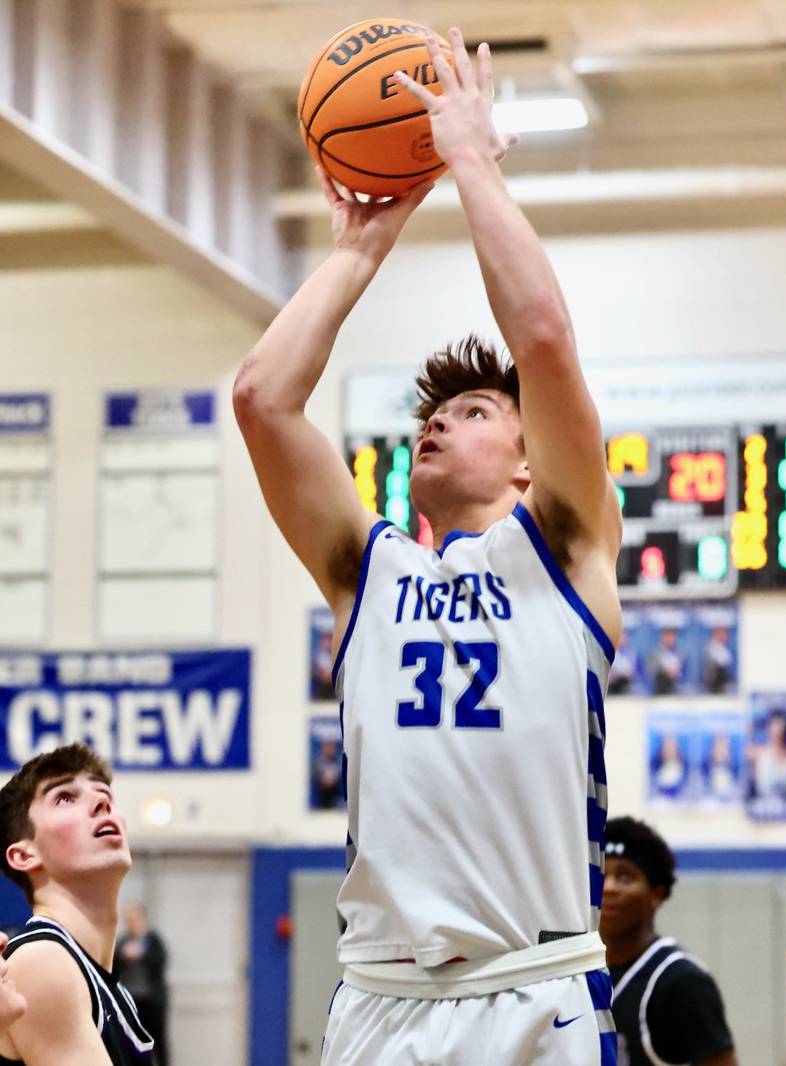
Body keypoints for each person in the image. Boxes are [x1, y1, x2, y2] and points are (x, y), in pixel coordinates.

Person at [234, 25, 622, 1066]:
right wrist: (358, 250)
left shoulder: (566, 545)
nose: (437, 423)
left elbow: (542, 338)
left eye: (475, 412)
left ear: (531, 460)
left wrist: (471, 164)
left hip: (531, 992)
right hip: (378, 996)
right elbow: (262, 401)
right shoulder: (370, 573)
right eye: (430, 417)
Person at [0, 744, 154, 1065]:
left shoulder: (112, 990)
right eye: (65, 798)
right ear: (24, 854)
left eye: (105, 794)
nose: (102, 803)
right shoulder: (41, 961)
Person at [600, 816, 737, 1066]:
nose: (608, 887)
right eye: (601, 875)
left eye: (625, 877)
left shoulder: (682, 982)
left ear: (656, 894)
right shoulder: (583, 974)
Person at [113, 904, 169, 1066]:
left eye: (135, 919)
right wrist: (124, 955)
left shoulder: (153, 940)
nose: (132, 923)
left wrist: (141, 955)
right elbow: (113, 965)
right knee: (134, 1040)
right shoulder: (123, 941)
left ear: (142, 919)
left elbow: (160, 960)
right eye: (128, 920)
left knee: (158, 1039)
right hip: (132, 1000)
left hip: (151, 1000)